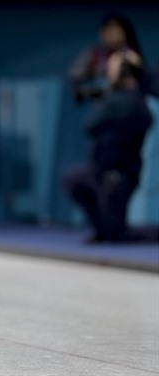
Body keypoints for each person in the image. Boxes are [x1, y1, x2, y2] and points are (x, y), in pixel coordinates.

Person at [63, 49, 156, 243]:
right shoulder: (133, 101)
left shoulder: (123, 101)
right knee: (74, 181)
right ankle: (102, 229)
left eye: (111, 70)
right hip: (103, 171)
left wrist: (105, 98)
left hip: (115, 176)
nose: (108, 74)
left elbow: (90, 126)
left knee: (118, 234)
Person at [68, 13, 142, 103]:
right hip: (102, 103)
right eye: (108, 31)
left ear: (124, 33)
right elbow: (74, 74)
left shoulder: (130, 55)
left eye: (116, 31)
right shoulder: (94, 54)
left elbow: (137, 68)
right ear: (102, 33)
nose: (112, 36)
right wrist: (99, 72)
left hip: (127, 102)